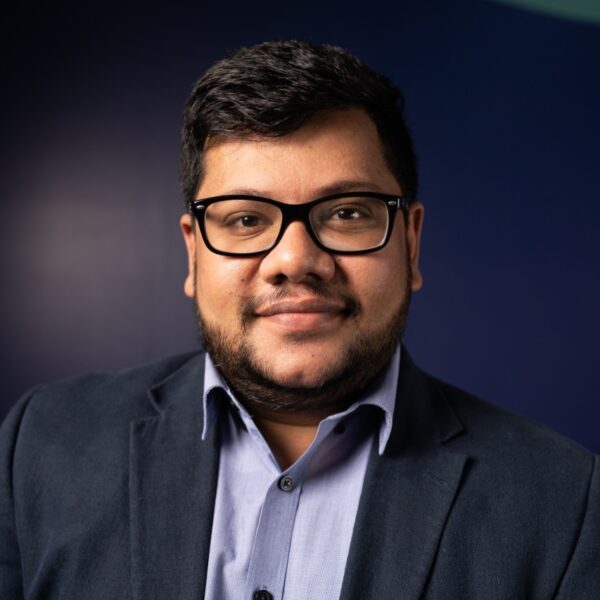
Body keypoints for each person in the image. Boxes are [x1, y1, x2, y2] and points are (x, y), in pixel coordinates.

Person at [0, 40, 598, 600]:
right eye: (245, 220)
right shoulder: (39, 449)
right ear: (192, 253)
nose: (294, 261)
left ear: (411, 244)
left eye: (345, 213)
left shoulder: (563, 501)